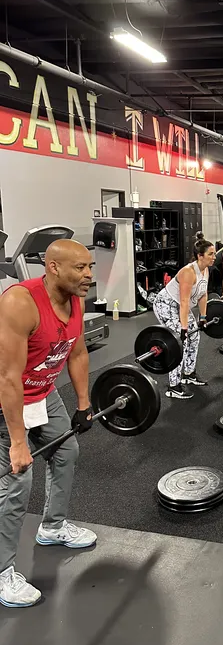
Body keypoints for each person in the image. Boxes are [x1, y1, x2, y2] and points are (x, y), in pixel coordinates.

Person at [0, 239, 97, 608]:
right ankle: (2, 573)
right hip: (7, 400)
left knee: (66, 450)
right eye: (81, 268)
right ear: (53, 267)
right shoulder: (19, 303)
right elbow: (7, 378)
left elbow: (77, 351)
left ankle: (52, 527)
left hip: (42, 393)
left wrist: (84, 404)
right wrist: (18, 441)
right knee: (15, 481)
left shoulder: (76, 300)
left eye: (89, 266)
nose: (89, 274)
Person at [153, 232, 216, 399]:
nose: (214, 257)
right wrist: (183, 327)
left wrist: (203, 318)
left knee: (194, 337)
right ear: (200, 256)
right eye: (211, 254)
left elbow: (203, 295)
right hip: (166, 305)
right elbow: (184, 301)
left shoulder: (205, 271)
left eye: (214, 253)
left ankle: (189, 374)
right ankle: (173, 386)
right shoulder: (189, 272)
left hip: (180, 306)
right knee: (179, 342)